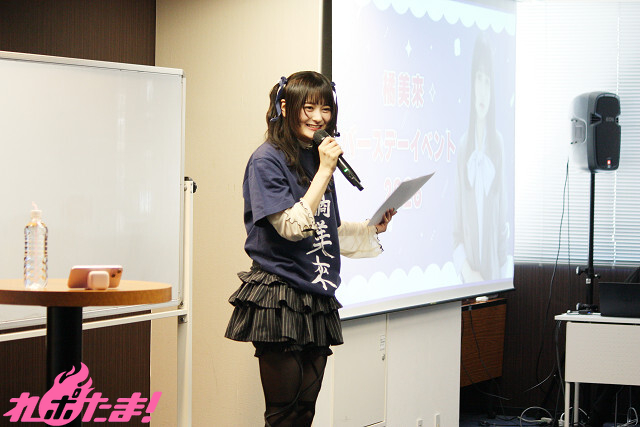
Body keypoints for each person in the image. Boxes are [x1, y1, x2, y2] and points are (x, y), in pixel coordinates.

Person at [224, 71, 395, 427]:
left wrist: (370, 229)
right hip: (280, 294)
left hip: (316, 296)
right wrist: (324, 171)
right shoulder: (267, 160)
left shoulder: (317, 158)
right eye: (309, 108)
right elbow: (291, 227)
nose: (319, 118)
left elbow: (322, 230)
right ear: (285, 107)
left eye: (326, 109)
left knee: (305, 413)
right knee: (283, 415)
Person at [453, 34, 509, 283]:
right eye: (479, 79)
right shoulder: (463, 148)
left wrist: (498, 279)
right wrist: (468, 273)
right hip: (469, 284)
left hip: (495, 281)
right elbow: (456, 232)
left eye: (488, 81)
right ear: (471, 83)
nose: (483, 90)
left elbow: (502, 227)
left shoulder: (498, 146)